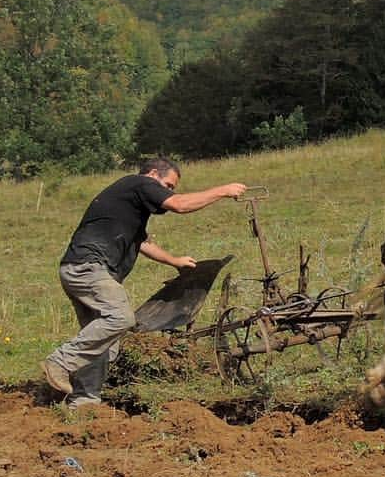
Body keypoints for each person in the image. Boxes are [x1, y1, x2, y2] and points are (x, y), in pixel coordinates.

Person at [42, 157, 246, 408]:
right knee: (120, 318)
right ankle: (61, 362)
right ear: (152, 174)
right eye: (168, 185)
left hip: (81, 269)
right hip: (88, 268)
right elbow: (180, 205)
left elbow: (144, 243)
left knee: (104, 341)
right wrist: (223, 191)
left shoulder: (130, 206)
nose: (169, 191)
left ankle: (84, 401)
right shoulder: (139, 183)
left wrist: (174, 261)